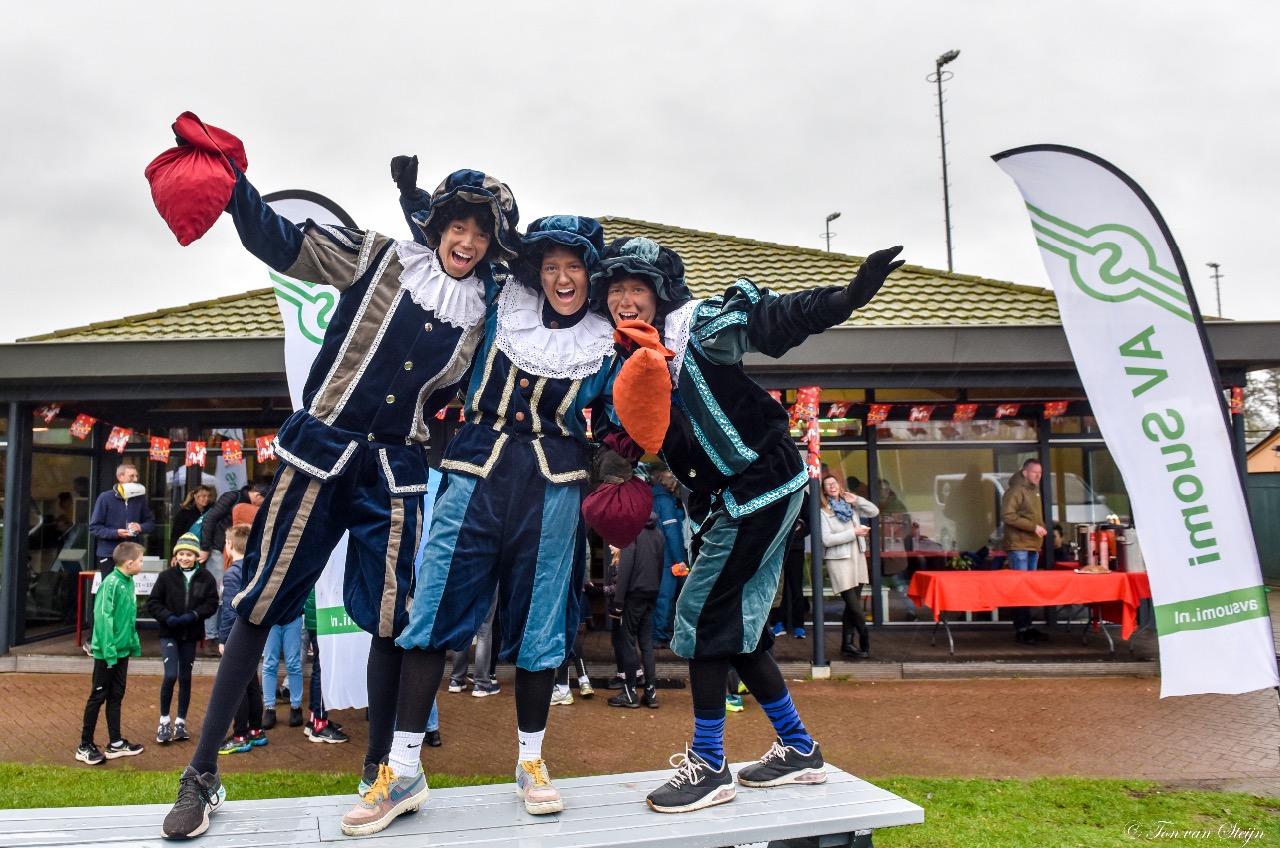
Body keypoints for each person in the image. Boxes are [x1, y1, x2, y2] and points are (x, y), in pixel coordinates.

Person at [154, 117, 521, 840]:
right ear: (439, 225)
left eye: (482, 232)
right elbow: (285, 243)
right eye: (458, 224)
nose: (468, 241)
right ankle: (201, 773)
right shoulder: (379, 258)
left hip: (396, 472)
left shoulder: (486, 315)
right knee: (259, 605)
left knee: (392, 618)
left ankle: (382, 773)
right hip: (319, 453)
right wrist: (233, 191)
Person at [589, 234, 903, 813]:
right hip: (722, 500)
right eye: (616, 289)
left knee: (704, 615)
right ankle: (799, 748)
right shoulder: (624, 357)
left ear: (660, 294)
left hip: (760, 485)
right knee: (742, 631)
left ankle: (709, 766)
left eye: (637, 288)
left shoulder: (699, 329)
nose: (625, 299)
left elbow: (772, 318)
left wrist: (848, 297)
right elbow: (631, 434)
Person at [346, 189, 618, 836]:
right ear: (535, 270)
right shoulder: (500, 300)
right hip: (473, 471)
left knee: (544, 620)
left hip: (555, 487)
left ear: (591, 275)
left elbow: (617, 424)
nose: (561, 278)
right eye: (550, 265)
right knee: (430, 608)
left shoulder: (609, 342)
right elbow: (456, 250)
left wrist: (620, 461)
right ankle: (404, 769)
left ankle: (531, 762)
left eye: (573, 267)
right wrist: (417, 204)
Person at [76, 541, 146, 765]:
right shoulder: (111, 583)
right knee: (97, 697)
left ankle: (115, 743)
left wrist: (132, 643)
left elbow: (129, 616)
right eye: (141, 560)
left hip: (121, 651)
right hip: (107, 653)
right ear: (130, 563)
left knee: (116, 695)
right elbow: (103, 618)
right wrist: (108, 651)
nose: (142, 564)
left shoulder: (129, 582)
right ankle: (84, 745)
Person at [148, 532, 220, 744]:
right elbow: (153, 602)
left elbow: (211, 603)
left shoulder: (206, 578)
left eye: (189, 554)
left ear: (197, 556)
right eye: (181, 554)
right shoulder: (166, 577)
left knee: (185, 677)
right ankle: (164, 721)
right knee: (170, 675)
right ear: (176, 555)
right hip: (169, 632)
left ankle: (181, 721)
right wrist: (167, 617)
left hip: (190, 633)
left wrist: (194, 615)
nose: (185, 558)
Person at [216, 524, 268, 755]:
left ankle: (240, 735)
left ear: (228, 546)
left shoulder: (232, 573)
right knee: (251, 684)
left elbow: (229, 609)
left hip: (237, 634)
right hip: (254, 631)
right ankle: (256, 730)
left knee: (236, 686)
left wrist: (224, 638)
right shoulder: (255, 569)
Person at [198, 482, 268, 650]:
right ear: (258, 496)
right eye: (261, 501)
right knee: (219, 594)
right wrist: (206, 548)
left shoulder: (240, 504)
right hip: (217, 551)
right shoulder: (233, 498)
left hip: (230, 552)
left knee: (226, 593)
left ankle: (219, 635)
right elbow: (209, 519)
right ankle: (212, 637)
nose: (259, 506)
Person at [817, 475, 879, 658]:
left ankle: (847, 644)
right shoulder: (823, 511)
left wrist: (858, 500)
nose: (832, 486)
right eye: (828, 485)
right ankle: (864, 635)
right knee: (853, 603)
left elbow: (874, 512)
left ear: (840, 485)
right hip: (838, 560)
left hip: (856, 557)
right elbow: (826, 540)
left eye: (834, 483)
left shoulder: (850, 506)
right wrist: (853, 532)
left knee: (852, 606)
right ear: (824, 490)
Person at [608, 512, 664, 709]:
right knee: (647, 645)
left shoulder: (631, 534)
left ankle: (630, 693)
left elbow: (625, 568)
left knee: (629, 643)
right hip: (651, 592)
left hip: (633, 594)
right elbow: (660, 565)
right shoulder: (658, 533)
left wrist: (619, 600)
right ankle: (651, 693)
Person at [1001, 458, 1049, 644]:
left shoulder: (1033, 490)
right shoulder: (1016, 491)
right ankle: (1021, 628)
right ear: (1024, 472)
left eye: (1040, 473)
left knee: (1028, 588)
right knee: (1020, 588)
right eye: (1034, 472)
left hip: (1032, 545)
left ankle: (1027, 627)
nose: (1038, 476)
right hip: (1019, 546)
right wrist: (1033, 527)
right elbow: (1007, 515)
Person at [88, 464, 155, 576]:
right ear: (120, 477)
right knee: (111, 587)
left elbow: (151, 523)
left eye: (136, 476)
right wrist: (116, 533)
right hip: (109, 553)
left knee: (128, 587)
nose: (136, 479)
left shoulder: (140, 498)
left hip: (131, 553)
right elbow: (94, 527)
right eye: (131, 476)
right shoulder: (105, 498)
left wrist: (141, 527)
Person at [302, 589, 349, 743]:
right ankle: (319, 725)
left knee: (319, 669)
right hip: (321, 618)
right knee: (322, 671)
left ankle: (314, 719)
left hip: (317, 617)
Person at [649, 467, 688, 647]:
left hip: (651, 553)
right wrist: (679, 559)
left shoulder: (651, 497)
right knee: (665, 596)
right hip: (667, 557)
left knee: (655, 596)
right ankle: (658, 635)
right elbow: (672, 532)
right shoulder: (665, 501)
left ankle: (655, 631)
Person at [447, 589, 500, 696]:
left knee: (461, 626)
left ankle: (456, 679)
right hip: (487, 577)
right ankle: (481, 683)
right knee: (484, 630)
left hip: (462, 579)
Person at [770, 496, 809, 639]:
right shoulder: (777, 491)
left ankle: (798, 625)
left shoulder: (804, 496)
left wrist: (797, 534)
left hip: (796, 548)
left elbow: (810, 523)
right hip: (777, 548)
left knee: (796, 586)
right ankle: (778, 622)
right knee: (777, 587)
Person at [261, 614, 304, 730]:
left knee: (293, 664)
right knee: (269, 664)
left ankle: (296, 707)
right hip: (271, 618)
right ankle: (269, 708)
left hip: (293, 617)